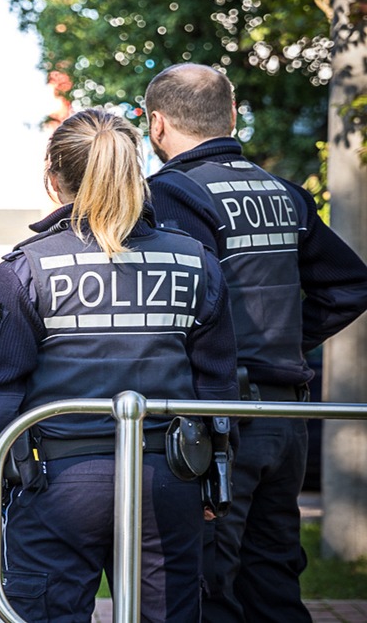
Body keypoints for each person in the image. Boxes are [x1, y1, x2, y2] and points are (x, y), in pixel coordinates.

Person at [0, 109, 239, 622]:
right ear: (134, 173)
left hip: (59, 484)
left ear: (53, 179)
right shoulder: (196, 262)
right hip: (167, 480)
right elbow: (216, 386)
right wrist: (216, 476)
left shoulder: (24, 271)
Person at [143, 63, 367, 623]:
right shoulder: (285, 194)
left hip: (217, 418)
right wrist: (289, 339)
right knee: (272, 579)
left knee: (209, 585)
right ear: (232, 116)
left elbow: (175, 309)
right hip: (284, 416)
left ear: (156, 124)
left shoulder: (169, 197)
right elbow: (349, 285)